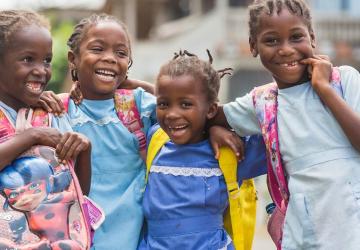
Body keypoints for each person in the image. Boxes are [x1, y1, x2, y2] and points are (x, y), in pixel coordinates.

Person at [210, 0, 360, 249]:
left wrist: (324, 89)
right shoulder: (262, 102)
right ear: (253, 46)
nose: (286, 49)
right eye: (271, 41)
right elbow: (206, 114)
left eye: (296, 37)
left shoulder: (343, 81)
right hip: (303, 236)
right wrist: (215, 128)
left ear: (312, 38)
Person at [39, 13, 157, 250]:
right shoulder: (57, 111)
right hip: (77, 239)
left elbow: (189, 112)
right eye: (98, 49)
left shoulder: (138, 106)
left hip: (133, 240)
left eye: (121, 54)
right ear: (73, 59)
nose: (110, 59)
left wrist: (140, 85)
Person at [138, 50, 267, 249]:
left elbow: (273, 127)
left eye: (185, 104)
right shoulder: (155, 138)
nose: (172, 114)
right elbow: (123, 95)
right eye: (164, 104)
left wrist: (219, 125)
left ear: (211, 110)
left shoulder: (229, 150)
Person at [0, 9, 91, 249]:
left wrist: (84, 151)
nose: (41, 70)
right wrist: (33, 136)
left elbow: (77, 193)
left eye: (47, 60)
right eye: (28, 59)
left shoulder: (51, 115)